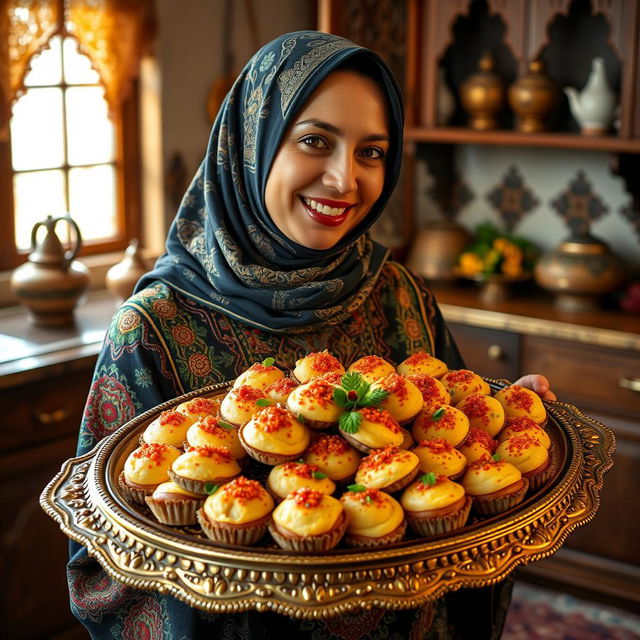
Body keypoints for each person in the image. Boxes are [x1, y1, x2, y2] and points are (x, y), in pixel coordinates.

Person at [68, 31, 555, 639]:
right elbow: (104, 553)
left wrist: (508, 414)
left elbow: (462, 479)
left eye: (372, 152)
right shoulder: (154, 329)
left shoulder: (398, 293)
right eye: (315, 141)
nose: (344, 179)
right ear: (252, 145)